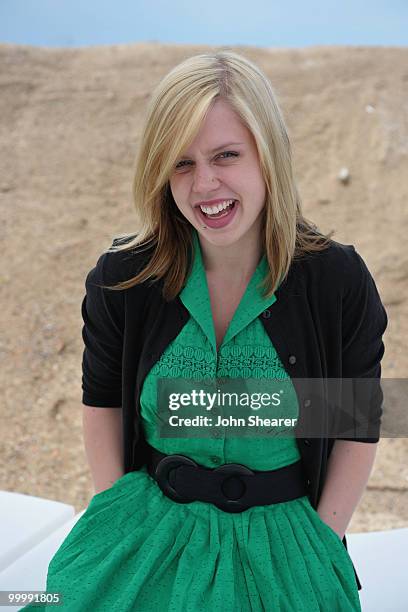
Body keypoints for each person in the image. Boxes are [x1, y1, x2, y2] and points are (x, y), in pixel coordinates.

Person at [26, 49, 388, 611]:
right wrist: (115, 506)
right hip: (143, 533)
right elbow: (102, 401)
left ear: (268, 156)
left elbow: (354, 427)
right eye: (183, 163)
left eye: (226, 155)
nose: (205, 185)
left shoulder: (334, 280)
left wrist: (323, 539)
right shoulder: (123, 277)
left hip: (284, 550)